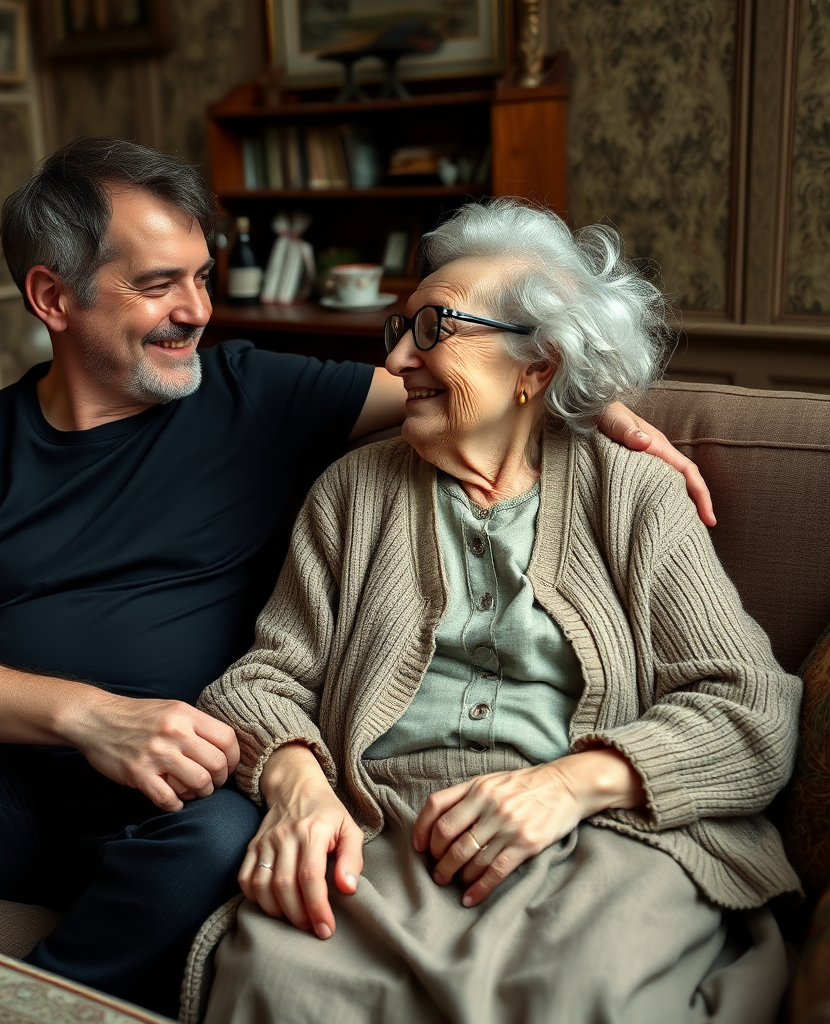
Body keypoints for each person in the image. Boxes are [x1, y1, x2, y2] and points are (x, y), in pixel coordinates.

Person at [0, 139, 706, 1017]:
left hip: (173, 804)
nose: (198, 309)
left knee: (222, 838)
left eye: (203, 274)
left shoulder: (254, 394)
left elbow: (480, 384)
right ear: (53, 296)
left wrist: (613, 414)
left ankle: (22, 1003)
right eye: (159, 284)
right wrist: (90, 716)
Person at [190, 200, 801, 1024]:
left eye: (433, 327)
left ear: (537, 365)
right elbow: (262, 681)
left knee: (583, 997)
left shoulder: (633, 495)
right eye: (398, 328)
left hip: (601, 839)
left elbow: (752, 710)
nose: (400, 357)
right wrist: (301, 789)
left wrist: (569, 785)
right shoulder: (351, 493)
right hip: (381, 835)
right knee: (278, 987)